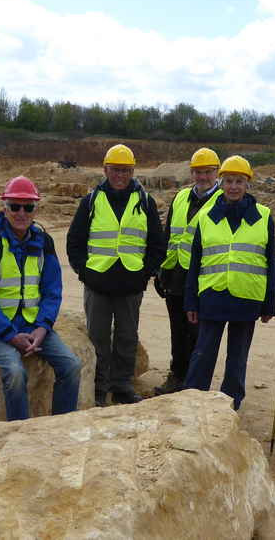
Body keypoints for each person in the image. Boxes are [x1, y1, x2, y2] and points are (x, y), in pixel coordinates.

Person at [0, 176, 81, 421]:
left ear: (35, 209)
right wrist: (9, 335)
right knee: (15, 372)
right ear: (4, 207)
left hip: (32, 324)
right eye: (14, 206)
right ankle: (18, 431)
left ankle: (61, 425)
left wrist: (42, 327)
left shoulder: (42, 241)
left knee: (70, 366)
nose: (21, 213)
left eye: (28, 207)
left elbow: (52, 290)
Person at [66, 144, 165, 406]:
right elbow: (74, 241)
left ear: (132, 171)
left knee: (126, 337)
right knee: (97, 337)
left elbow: (157, 243)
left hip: (131, 284)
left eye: (125, 170)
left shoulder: (144, 202)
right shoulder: (90, 202)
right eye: (115, 170)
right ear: (105, 170)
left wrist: (147, 273)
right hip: (97, 283)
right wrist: (83, 271)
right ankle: (99, 387)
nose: (120, 175)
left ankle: (121, 385)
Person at [183, 155, 275, 410]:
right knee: (203, 353)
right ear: (222, 183)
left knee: (237, 358)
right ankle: (192, 400)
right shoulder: (206, 217)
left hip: (247, 298)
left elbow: (271, 262)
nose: (234, 186)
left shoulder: (263, 216)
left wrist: (269, 304)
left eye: (239, 181)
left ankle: (230, 403)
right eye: (229, 181)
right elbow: (195, 264)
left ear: (247, 184)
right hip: (212, 295)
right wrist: (191, 300)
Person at [154, 147, 222, 395]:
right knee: (178, 330)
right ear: (192, 173)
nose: (202, 177)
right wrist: (161, 271)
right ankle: (177, 374)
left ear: (217, 172)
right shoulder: (181, 197)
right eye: (198, 172)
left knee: (198, 334)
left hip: (204, 278)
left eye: (208, 172)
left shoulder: (223, 200)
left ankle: (194, 384)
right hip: (176, 275)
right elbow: (169, 235)